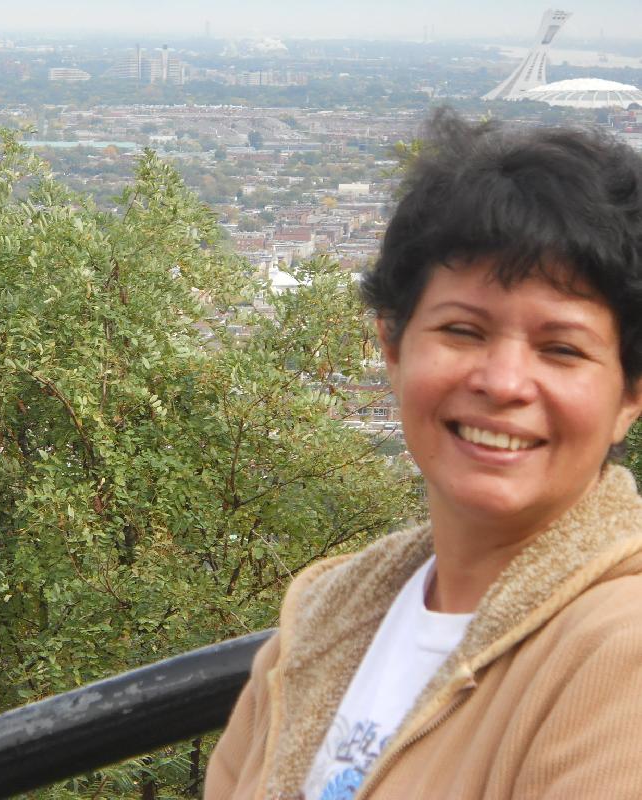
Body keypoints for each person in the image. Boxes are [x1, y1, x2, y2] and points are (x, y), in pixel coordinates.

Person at [204, 109, 642, 800]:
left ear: (629, 394)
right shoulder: (318, 624)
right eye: (462, 330)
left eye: (561, 348)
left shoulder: (620, 653)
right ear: (392, 347)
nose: (501, 382)